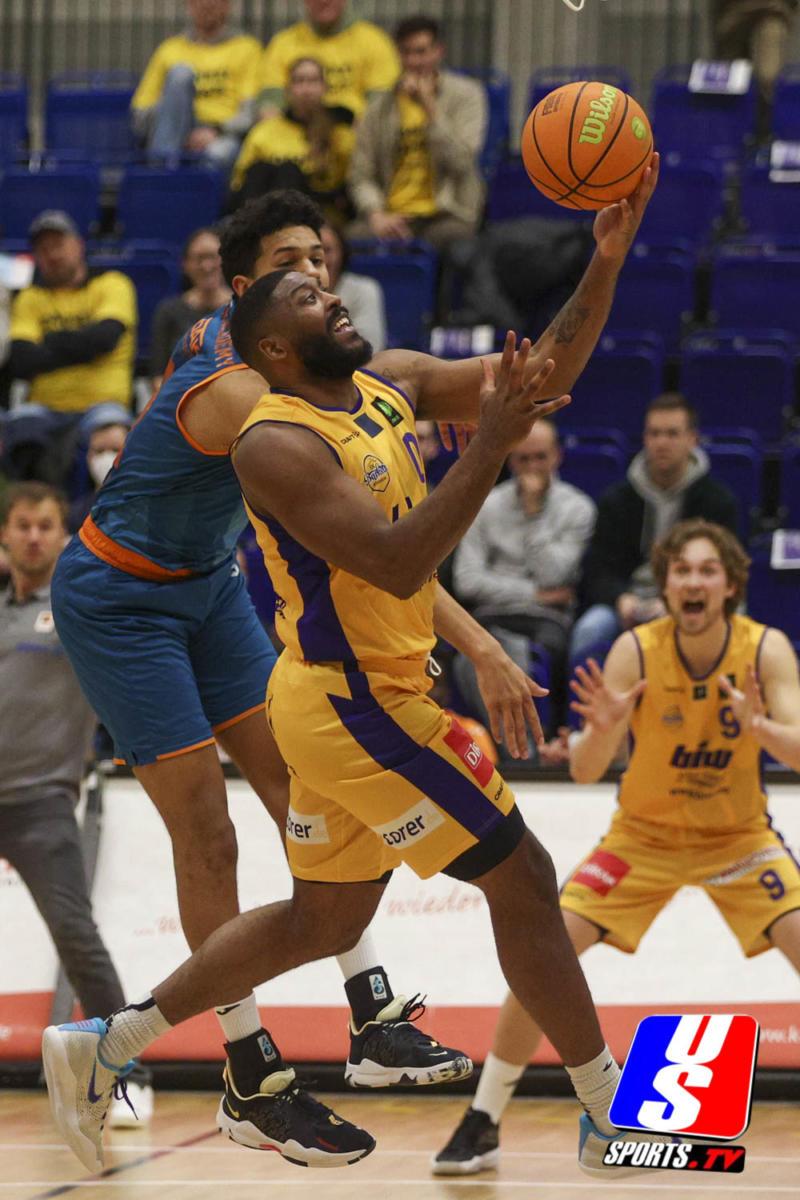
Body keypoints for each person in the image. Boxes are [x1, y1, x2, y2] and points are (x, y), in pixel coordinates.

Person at [42, 234, 675, 1182]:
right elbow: (398, 560)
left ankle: (106, 1044)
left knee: (323, 921)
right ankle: (604, 1111)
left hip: (335, 697)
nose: (330, 295)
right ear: (273, 349)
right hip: (360, 708)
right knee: (525, 877)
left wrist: (609, 259)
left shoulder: (390, 383)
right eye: (304, 294)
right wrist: (492, 442)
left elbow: (540, 373)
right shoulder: (274, 443)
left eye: (325, 281)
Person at [433, 517, 800, 1174]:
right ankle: (483, 1119)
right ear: (666, 584)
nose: (693, 581)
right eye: (681, 571)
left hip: (738, 839)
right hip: (643, 839)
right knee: (545, 954)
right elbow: (583, 771)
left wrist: (761, 728)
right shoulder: (635, 650)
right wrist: (601, 732)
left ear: (730, 586)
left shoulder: (765, 649)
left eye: (707, 571)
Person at [0, 482, 153, 1128]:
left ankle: (129, 1073)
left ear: (63, 537)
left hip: (40, 803)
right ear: (5, 536)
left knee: (75, 935)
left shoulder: (78, 612)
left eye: (45, 526)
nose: (34, 536)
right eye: (23, 525)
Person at [569, 393, 739, 669]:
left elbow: (727, 570)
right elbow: (598, 568)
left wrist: (674, 601)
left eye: (672, 434)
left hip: (691, 599)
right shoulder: (616, 499)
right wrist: (620, 598)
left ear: (692, 439)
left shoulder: (718, 501)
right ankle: (585, 700)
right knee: (590, 629)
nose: (662, 442)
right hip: (627, 600)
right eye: (654, 433)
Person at [452, 421, 596, 744]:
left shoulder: (578, 508)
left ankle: (534, 742)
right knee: (471, 652)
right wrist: (536, 593)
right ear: (510, 460)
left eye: (540, 457)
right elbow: (467, 581)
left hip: (548, 620)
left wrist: (532, 516)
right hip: (492, 614)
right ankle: (506, 744)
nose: (532, 467)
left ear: (557, 456)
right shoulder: (484, 504)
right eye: (523, 459)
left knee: (546, 652)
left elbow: (554, 575)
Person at [5, 211, 136, 486]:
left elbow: (105, 339)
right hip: (43, 408)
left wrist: (50, 342)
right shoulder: (30, 297)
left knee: (112, 440)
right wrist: (83, 347)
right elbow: (22, 359)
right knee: (18, 430)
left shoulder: (113, 284)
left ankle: (101, 513)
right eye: (43, 249)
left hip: (104, 406)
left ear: (78, 245)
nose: (52, 254)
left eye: (58, 245)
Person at [348, 15, 486, 253]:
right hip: (391, 214)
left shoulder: (467, 96)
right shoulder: (378, 109)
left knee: (455, 241)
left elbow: (462, 161)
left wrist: (429, 109)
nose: (413, 61)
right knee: (346, 240)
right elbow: (361, 175)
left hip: (445, 213)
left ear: (438, 52)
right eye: (406, 52)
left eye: (421, 52)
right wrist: (376, 214)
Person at [131, 0, 261, 170]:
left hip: (222, 134)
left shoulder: (247, 49)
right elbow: (140, 116)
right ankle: (163, 174)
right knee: (180, 74)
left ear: (227, 4)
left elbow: (249, 112)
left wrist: (216, 130)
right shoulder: (169, 49)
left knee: (218, 154)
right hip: (173, 131)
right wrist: (176, 124)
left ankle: (167, 175)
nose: (206, 4)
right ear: (188, 4)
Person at [229, 58, 355, 222]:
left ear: (325, 88)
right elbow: (241, 186)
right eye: (299, 81)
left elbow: (350, 189)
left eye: (313, 81)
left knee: (290, 172)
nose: (306, 89)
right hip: (266, 219)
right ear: (287, 90)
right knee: (267, 170)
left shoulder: (341, 135)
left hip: (322, 217)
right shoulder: (263, 132)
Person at [258, 0, 399, 122]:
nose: (324, 1)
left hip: (357, 135)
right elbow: (270, 105)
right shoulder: (283, 44)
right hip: (295, 136)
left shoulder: (374, 42)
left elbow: (382, 105)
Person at [150, 228, 231, 385]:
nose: (207, 266)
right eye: (199, 258)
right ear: (185, 265)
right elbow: (158, 376)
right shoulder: (168, 311)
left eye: (213, 257)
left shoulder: (243, 307)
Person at [710, 0, 798, 130]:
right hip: (735, 14)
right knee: (730, 80)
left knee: (766, 76)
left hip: (771, 12)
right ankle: (734, 126)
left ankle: (764, 125)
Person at [320, 220, 387, 351]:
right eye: (314, 254)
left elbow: (371, 346)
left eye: (327, 250)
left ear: (342, 252)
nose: (321, 259)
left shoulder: (365, 288)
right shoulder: (295, 295)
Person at [68, 404, 133, 534]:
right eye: (99, 451)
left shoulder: (148, 507)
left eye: (116, 450)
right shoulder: (76, 514)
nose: (107, 458)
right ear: (87, 457)